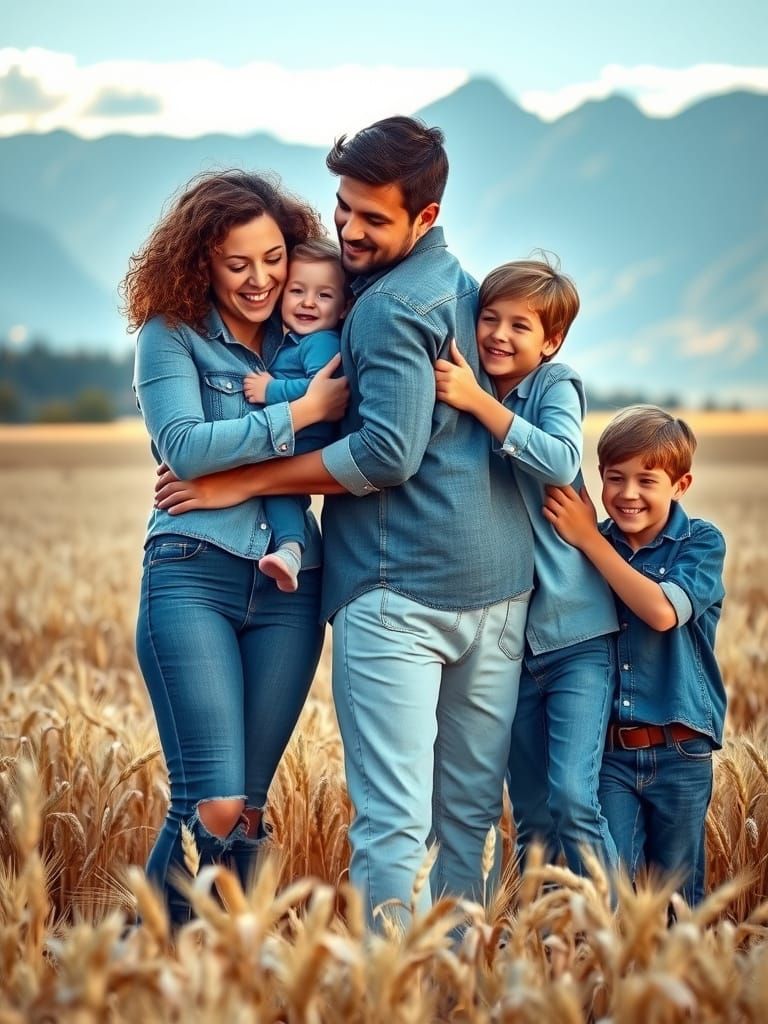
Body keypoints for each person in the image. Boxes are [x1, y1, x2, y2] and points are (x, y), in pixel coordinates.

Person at [155, 116, 534, 926]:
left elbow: (384, 455)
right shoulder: (463, 287)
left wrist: (244, 480)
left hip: (399, 588)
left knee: (392, 822)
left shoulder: (385, 307)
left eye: (373, 217)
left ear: (424, 217)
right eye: (343, 209)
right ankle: (446, 990)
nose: (350, 230)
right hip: (497, 587)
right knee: (464, 821)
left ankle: (385, 990)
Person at [122, 170, 348, 924]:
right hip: (192, 575)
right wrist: (302, 412)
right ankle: (147, 965)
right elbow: (184, 448)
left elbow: (367, 450)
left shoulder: (316, 330)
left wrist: (241, 476)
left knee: (247, 810)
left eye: (275, 257)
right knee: (210, 804)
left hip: (293, 588)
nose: (263, 280)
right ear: (200, 263)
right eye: (237, 263)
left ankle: (220, 977)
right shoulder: (171, 336)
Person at [434, 258, 620, 878]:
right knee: (532, 813)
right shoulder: (469, 387)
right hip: (506, 638)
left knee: (572, 798)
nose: (499, 336)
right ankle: (531, 948)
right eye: (489, 319)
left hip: (574, 635)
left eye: (521, 325)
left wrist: (478, 404)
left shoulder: (553, 384)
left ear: (551, 341)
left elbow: (563, 457)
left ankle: (619, 939)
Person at [543, 406, 727, 904]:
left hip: (680, 750)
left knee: (676, 896)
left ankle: (677, 980)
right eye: (614, 478)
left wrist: (586, 539)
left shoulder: (700, 543)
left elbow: (662, 612)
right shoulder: (595, 543)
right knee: (612, 886)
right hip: (609, 755)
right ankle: (619, 977)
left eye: (647, 480)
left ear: (681, 484)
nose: (627, 494)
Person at [243, 238, 347, 593]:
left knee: (279, 489)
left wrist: (270, 390)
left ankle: (290, 550)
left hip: (306, 437)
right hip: (292, 434)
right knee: (279, 492)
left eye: (324, 295)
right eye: (297, 290)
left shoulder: (322, 342)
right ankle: (288, 550)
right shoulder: (295, 341)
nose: (308, 302)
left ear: (345, 306)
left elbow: (322, 389)